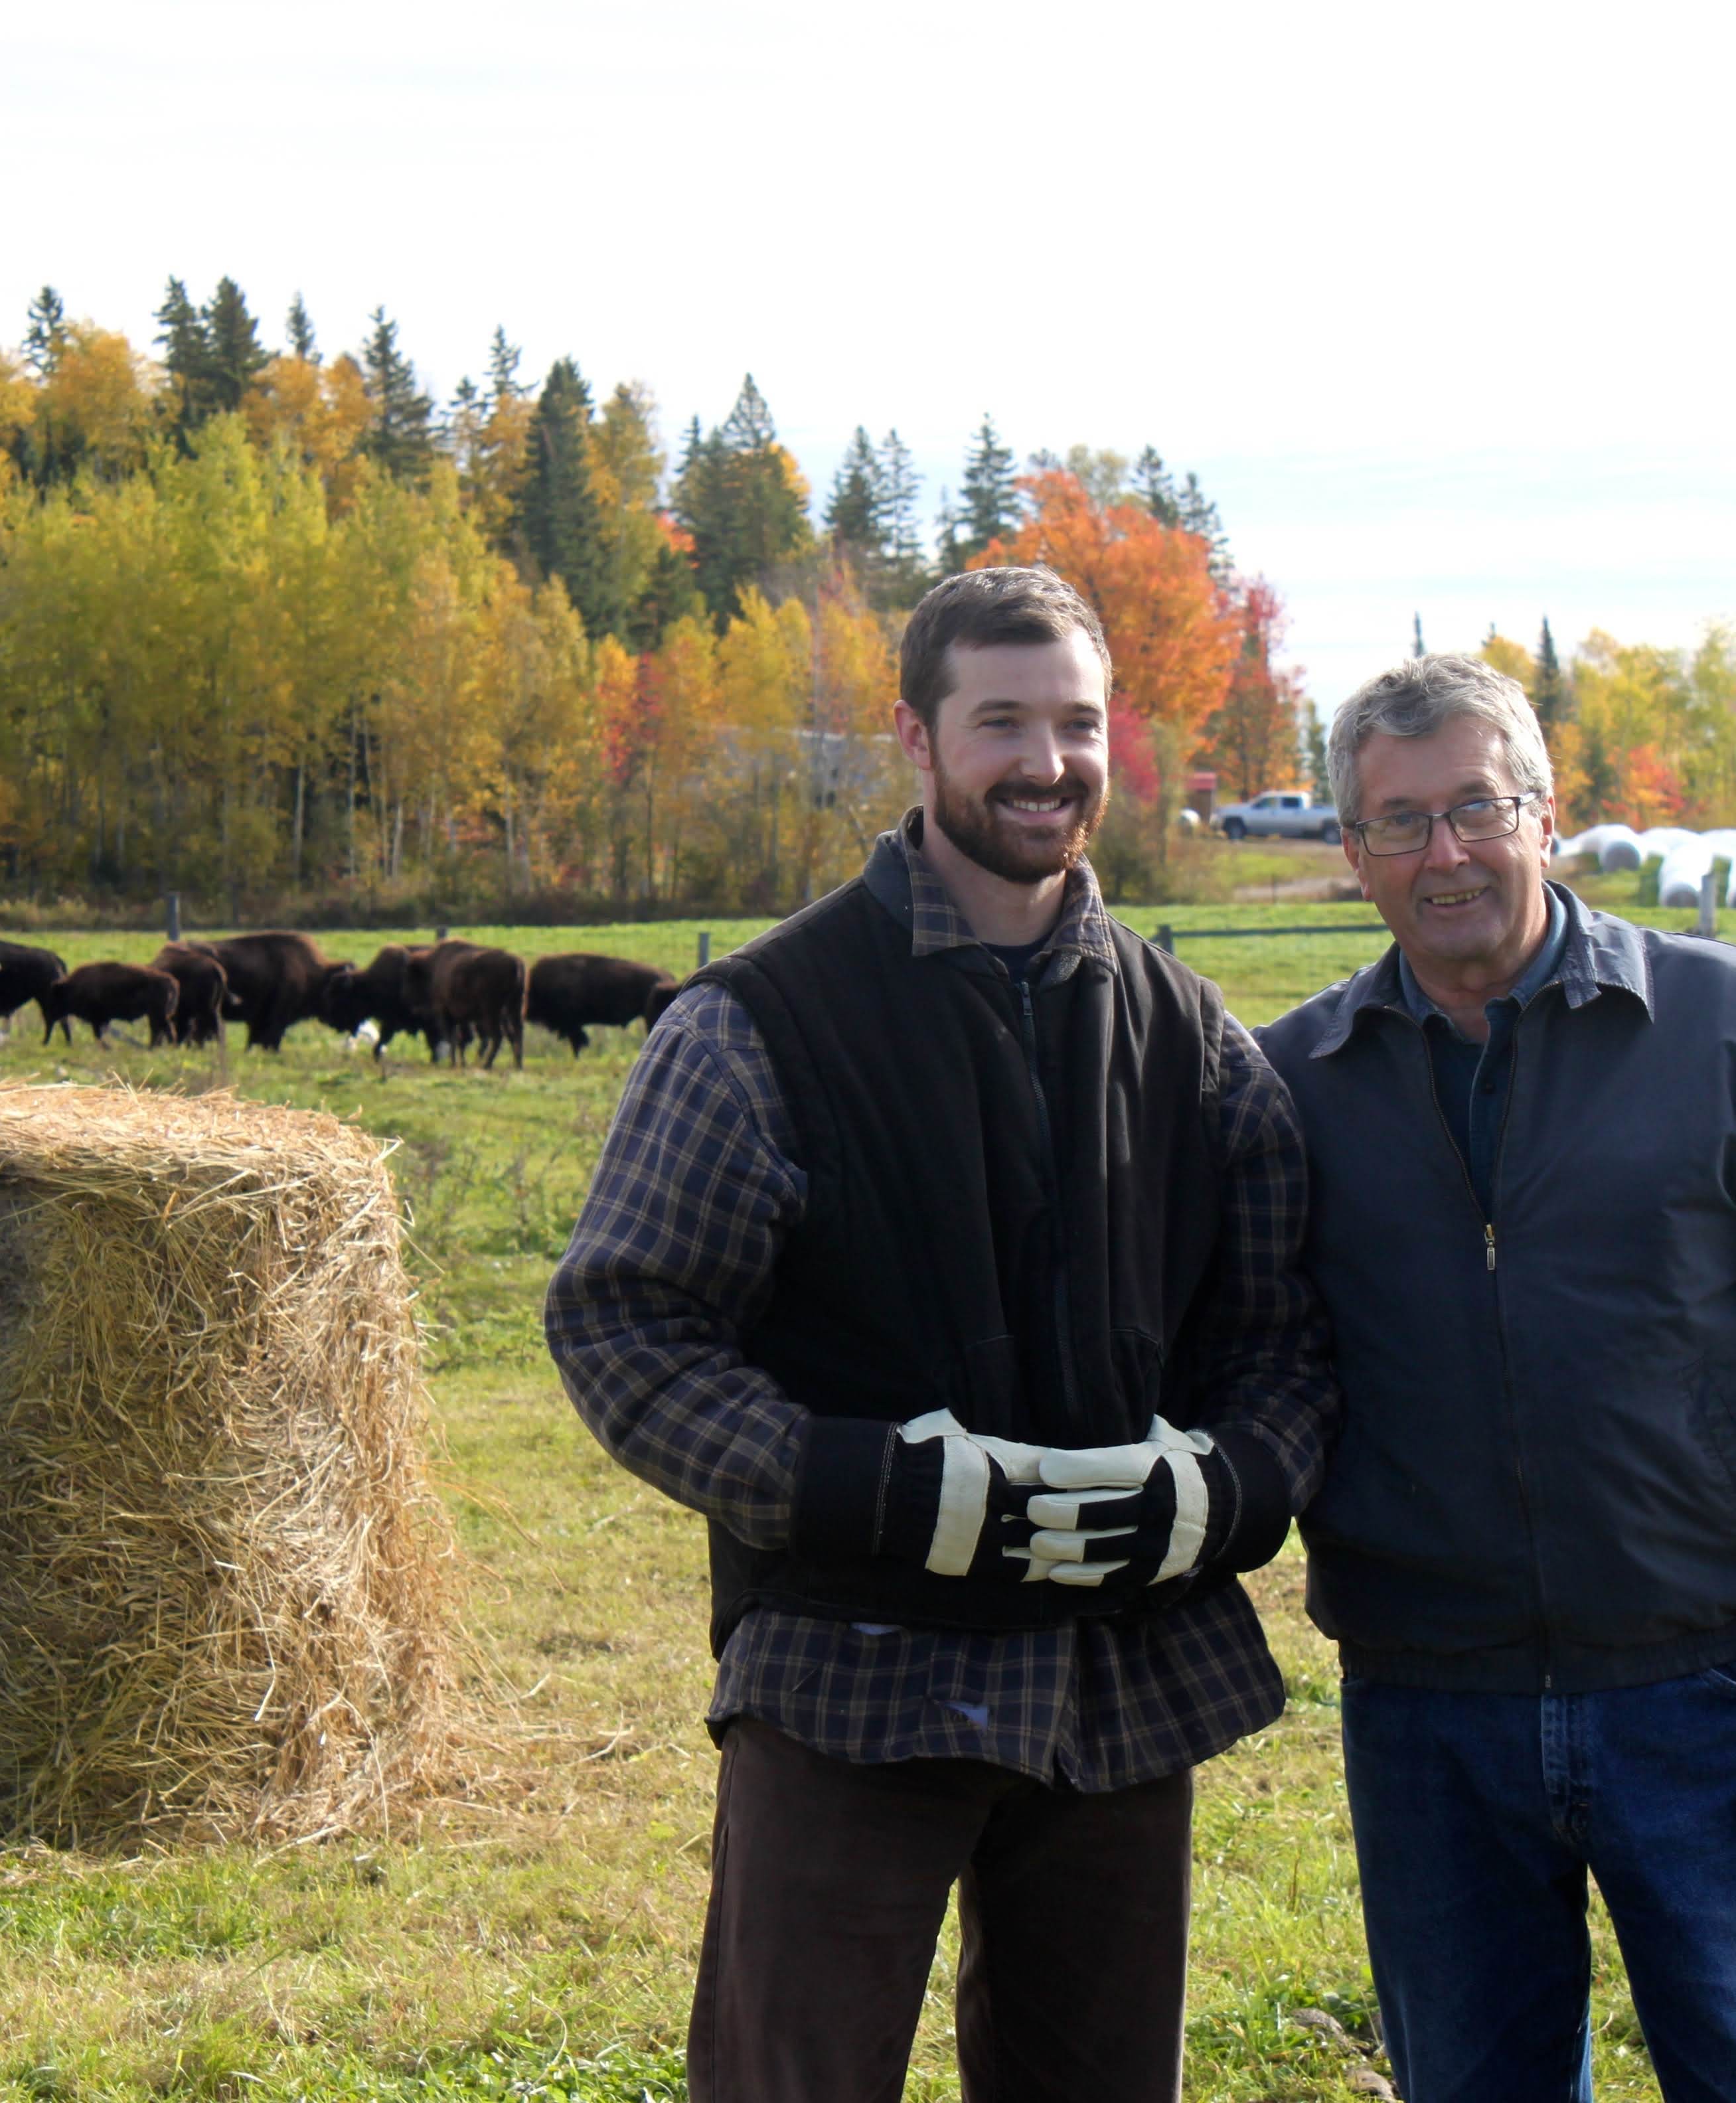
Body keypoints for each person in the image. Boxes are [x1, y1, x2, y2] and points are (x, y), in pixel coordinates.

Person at [545, 565, 1338, 2103]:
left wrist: (1223, 1491)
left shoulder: (1197, 1044)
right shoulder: (760, 1024)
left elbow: (1282, 1340)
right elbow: (626, 1325)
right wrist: (866, 1488)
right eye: (1002, 723)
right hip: (849, 1669)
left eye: (1078, 724)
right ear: (915, 738)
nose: (1047, 763)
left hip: (1118, 1680)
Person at [1255, 654, 1736, 2103]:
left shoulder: (1721, 1025)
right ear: (1354, 850)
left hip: (1697, 1688)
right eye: (1401, 822)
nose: (1446, 854)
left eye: (1477, 807)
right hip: (1427, 1707)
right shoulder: (1298, 1084)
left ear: (1546, 813)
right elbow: (1247, 1367)